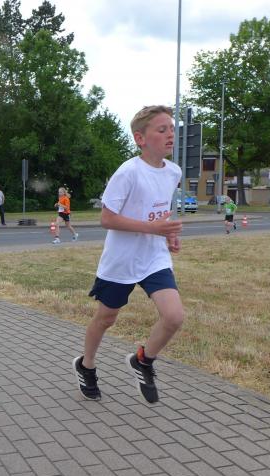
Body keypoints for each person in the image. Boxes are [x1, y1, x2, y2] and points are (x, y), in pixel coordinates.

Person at [73, 105, 183, 404]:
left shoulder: (173, 172)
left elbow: (159, 211)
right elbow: (107, 219)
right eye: (162, 130)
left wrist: (169, 234)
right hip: (121, 260)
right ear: (140, 138)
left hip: (154, 258)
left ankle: (143, 360)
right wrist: (153, 228)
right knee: (106, 318)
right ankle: (86, 365)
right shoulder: (128, 172)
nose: (170, 135)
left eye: (172, 129)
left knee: (174, 316)